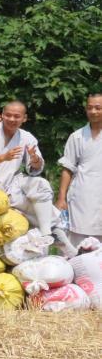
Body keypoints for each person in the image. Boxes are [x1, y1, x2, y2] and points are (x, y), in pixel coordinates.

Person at [0, 101, 76, 257]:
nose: (12, 119)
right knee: (44, 215)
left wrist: (34, 158)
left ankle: (45, 234)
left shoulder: (26, 137)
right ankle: (55, 235)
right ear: (2, 115)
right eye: (8, 115)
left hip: (14, 186)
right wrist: (3, 157)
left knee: (41, 184)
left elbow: (35, 169)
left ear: (24, 118)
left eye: (17, 116)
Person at [56, 94, 102, 247]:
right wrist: (61, 198)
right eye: (90, 108)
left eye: (98, 108)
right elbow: (67, 168)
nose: (93, 111)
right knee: (77, 239)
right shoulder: (76, 137)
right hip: (82, 192)